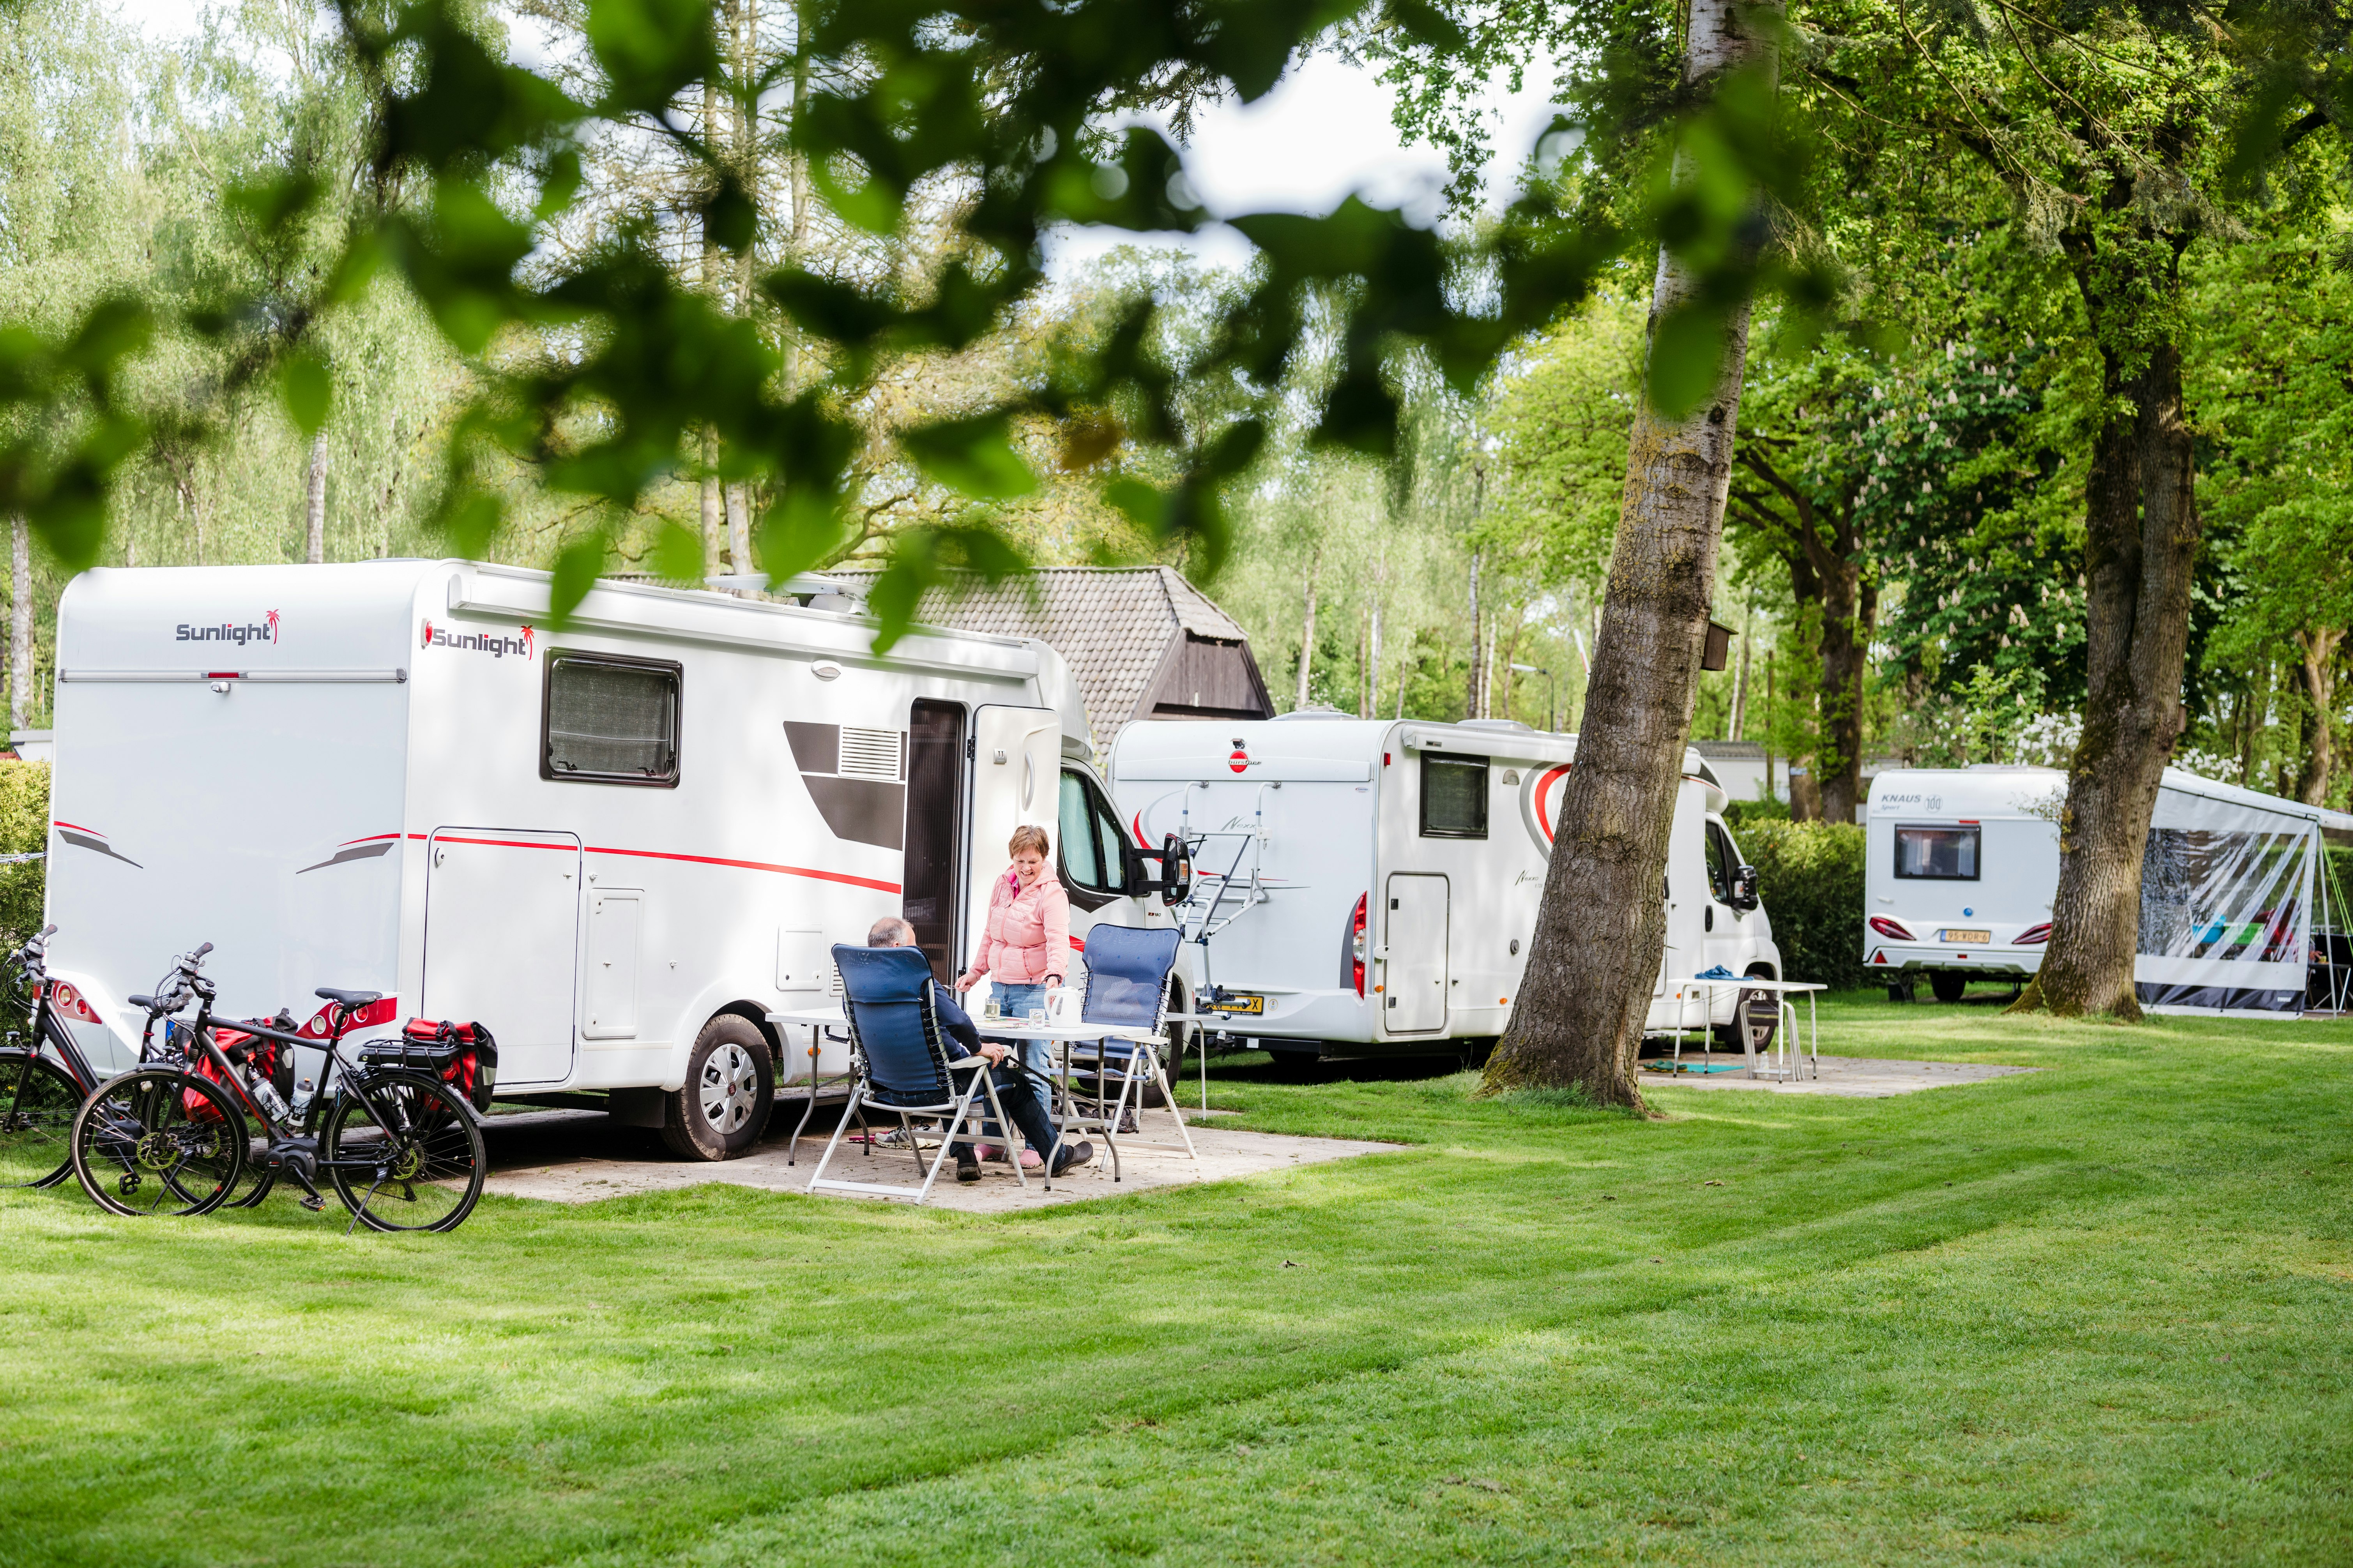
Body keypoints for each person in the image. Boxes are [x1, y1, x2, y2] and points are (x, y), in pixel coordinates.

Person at [866, 916, 1089, 1182]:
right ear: (896, 947)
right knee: (1013, 1083)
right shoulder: (918, 981)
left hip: (888, 1088)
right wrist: (978, 1047)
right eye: (914, 946)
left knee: (941, 1077)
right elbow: (959, 1020)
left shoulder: (860, 986)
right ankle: (1057, 1156)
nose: (919, 953)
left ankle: (966, 1158)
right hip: (939, 1084)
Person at [955, 823, 1068, 1083]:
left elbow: (1058, 940)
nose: (1026, 868)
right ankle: (997, 1126)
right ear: (1012, 858)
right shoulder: (1003, 884)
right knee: (989, 1066)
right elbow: (990, 934)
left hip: (1033, 993)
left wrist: (1054, 975)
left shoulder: (1051, 893)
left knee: (1034, 1072)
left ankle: (1039, 1126)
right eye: (1020, 861)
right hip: (999, 991)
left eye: (1033, 861)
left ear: (1044, 858)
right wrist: (976, 972)